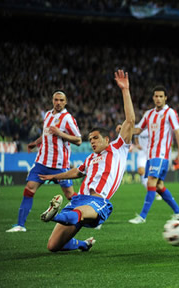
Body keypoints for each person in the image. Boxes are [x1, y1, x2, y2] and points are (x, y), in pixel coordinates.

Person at [37, 69, 135, 252]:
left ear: (107, 139)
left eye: (95, 138)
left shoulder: (118, 148)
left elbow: (130, 120)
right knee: (52, 246)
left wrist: (125, 90)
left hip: (97, 201)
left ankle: (54, 215)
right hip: (78, 200)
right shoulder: (90, 158)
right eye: (90, 139)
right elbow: (76, 172)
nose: (92, 142)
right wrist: (55, 176)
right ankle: (84, 244)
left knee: (79, 214)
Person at [6, 91, 82, 233]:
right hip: (41, 162)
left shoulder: (67, 118)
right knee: (29, 189)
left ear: (65, 102)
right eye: (56, 100)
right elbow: (46, 134)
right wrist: (35, 143)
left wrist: (60, 133)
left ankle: (88, 216)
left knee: (70, 195)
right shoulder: (47, 115)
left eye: (61, 100)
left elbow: (78, 140)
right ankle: (20, 225)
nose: (58, 102)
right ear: (52, 100)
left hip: (60, 165)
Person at [127, 85, 179, 224]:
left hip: (162, 154)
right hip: (151, 155)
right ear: (153, 98)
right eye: (156, 96)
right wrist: (124, 129)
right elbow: (138, 130)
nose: (158, 99)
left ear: (165, 98)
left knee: (151, 182)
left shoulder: (170, 113)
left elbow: (177, 132)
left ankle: (142, 217)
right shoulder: (149, 114)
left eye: (161, 96)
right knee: (158, 185)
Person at [135, 126, 162, 200]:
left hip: (151, 153)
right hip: (142, 153)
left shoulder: (155, 126)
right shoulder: (138, 127)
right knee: (141, 171)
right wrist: (137, 144)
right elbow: (135, 136)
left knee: (153, 174)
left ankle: (157, 191)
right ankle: (152, 192)